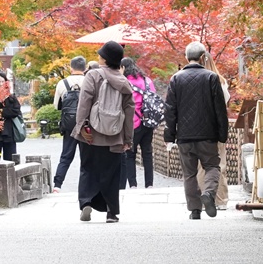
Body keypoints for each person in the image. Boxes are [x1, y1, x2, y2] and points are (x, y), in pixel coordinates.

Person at [163, 42, 229, 219]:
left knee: (189, 173)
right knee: (212, 166)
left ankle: (195, 210)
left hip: (184, 136)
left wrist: (170, 136)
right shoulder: (211, 78)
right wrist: (223, 134)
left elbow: (170, 110)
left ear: (186, 57)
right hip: (208, 135)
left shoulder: (176, 79)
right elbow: (220, 110)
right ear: (202, 58)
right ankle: (208, 193)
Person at [72, 41, 134, 223]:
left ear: (104, 58)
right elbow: (129, 112)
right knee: (112, 173)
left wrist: (81, 127)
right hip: (114, 135)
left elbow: (84, 103)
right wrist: (127, 138)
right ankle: (111, 212)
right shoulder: (124, 82)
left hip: (91, 133)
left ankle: (86, 203)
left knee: (88, 169)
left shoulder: (93, 75)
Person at [196, 50, 231, 210]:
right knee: (220, 164)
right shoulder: (222, 82)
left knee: (202, 166)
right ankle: (221, 199)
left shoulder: (196, 81)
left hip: (200, 129)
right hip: (217, 129)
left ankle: (204, 197)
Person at [119, 57, 156, 189]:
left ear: (123, 68)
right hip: (148, 122)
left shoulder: (124, 82)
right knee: (147, 153)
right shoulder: (147, 80)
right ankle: (149, 184)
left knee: (130, 154)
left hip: (132, 123)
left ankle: (133, 185)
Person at [52, 56, 87, 192]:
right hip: (85, 124)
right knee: (86, 157)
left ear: (71, 68)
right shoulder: (89, 81)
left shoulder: (62, 83)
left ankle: (57, 185)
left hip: (68, 125)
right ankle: (86, 186)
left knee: (66, 156)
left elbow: (56, 106)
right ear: (84, 68)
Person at [0, 72, 21, 161]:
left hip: (9, 131)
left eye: (3, 81)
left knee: (11, 160)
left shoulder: (11, 97)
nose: (1, 84)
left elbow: (16, 111)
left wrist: (1, 112)